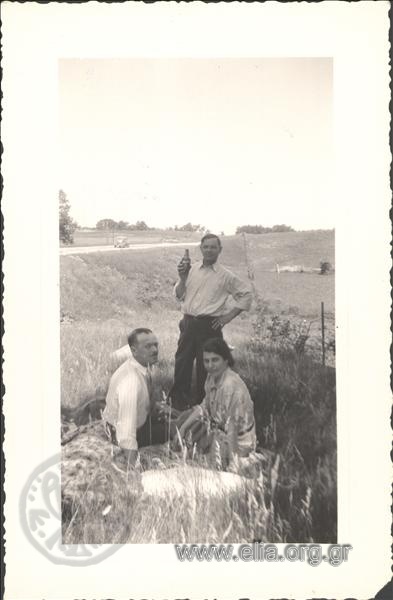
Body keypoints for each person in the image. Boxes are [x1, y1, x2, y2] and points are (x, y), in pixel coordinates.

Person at [170, 233, 252, 409]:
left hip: (209, 326)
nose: (209, 250)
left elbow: (246, 294)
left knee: (206, 366)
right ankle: (177, 403)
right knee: (182, 362)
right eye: (206, 246)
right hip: (188, 323)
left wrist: (228, 317)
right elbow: (179, 295)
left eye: (213, 247)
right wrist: (183, 278)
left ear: (219, 250)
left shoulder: (225, 275)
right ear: (201, 248)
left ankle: (204, 404)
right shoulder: (190, 269)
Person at [103, 327, 173, 472]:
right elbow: (126, 428)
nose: (154, 350)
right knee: (175, 432)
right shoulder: (131, 381)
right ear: (134, 351)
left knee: (175, 423)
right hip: (120, 434)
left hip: (139, 423)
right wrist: (132, 467)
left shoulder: (139, 367)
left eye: (156, 345)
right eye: (148, 346)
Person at [177, 338, 256, 462]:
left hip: (238, 444)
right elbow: (203, 407)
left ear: (226, 360)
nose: (210, 365)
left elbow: (233, 428)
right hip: (218, 431)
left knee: (192, 461)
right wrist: (182, 428)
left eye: (215, 360)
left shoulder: (230, 386)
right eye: (206, 361)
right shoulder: (211, 377)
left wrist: (234, 462)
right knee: (185, 419)